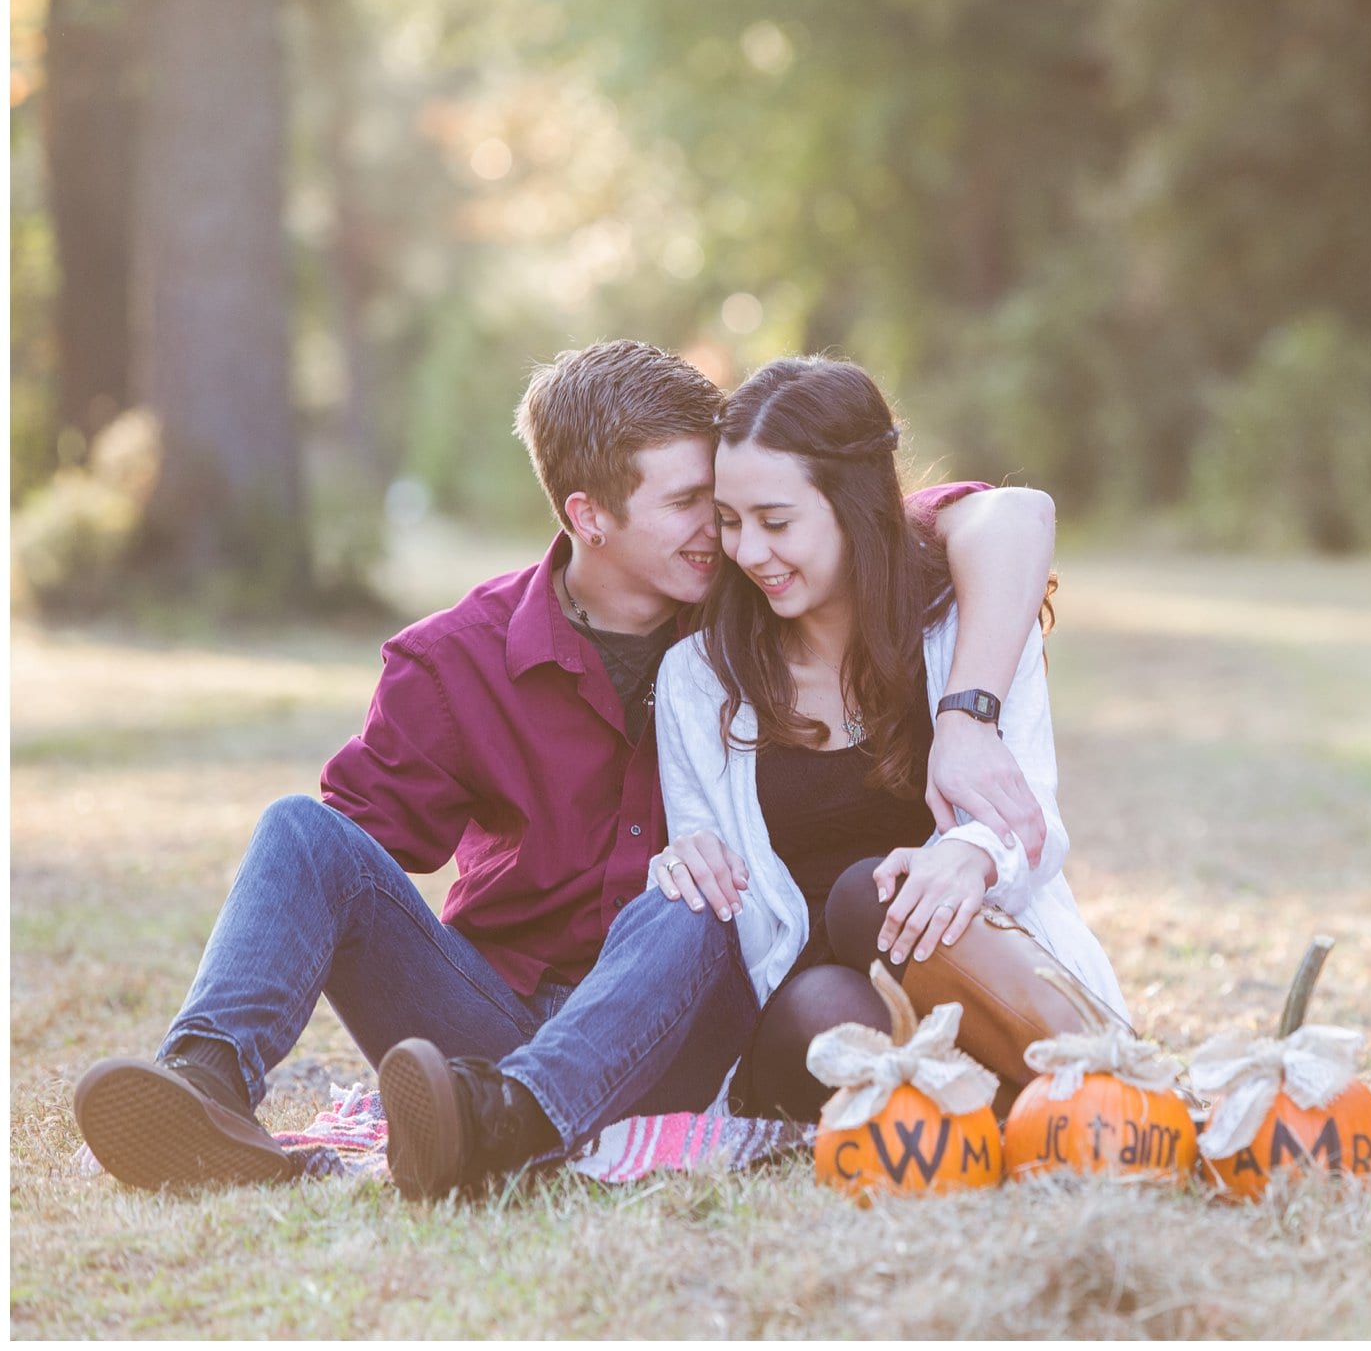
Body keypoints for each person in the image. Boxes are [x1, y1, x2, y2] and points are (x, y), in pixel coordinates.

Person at [70, 339, 1062, 1199]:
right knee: (299, 830)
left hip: (675, 1023)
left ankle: (516, 1125)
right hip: (479, 1035)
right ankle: (203, 1088)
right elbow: (344, 875)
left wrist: (967, 716)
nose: (724, 533)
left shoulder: (759, 589)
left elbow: (985, 519)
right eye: (691, 505)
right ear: (589, 516)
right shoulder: (455, 659)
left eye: (723, 503)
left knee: (691, 898)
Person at [651, 355, 1125, 1121]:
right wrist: (682, 861)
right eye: (730, 522)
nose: (747, 553)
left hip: (966, 966)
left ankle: (1110, 1094)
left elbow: (1029, 811)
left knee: (870, 895)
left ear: (855, 501)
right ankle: (1054, 1112)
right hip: (811, 1001)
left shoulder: (968, 629)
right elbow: (706, 865)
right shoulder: (701, 676)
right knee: (826, 979)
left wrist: (967, 855)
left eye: (776, 522)